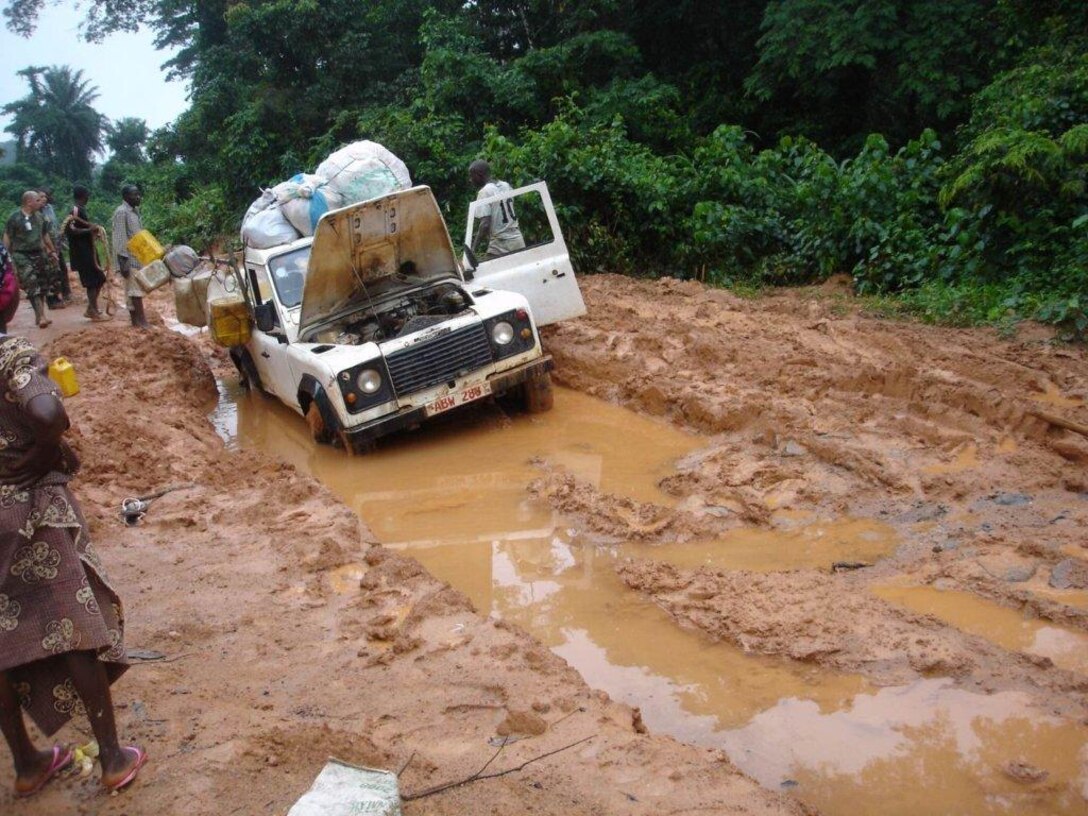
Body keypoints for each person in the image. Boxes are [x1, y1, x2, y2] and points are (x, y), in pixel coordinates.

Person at [0, 286, 146, 796]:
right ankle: (111, 755)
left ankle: (27, 763)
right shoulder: (11, 358)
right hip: (28, 513)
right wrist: (42, 455)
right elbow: (47, 415)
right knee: (74, 621)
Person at [3, 191, 57, 329]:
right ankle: (41, 316)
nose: (41, 202)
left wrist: (52, 251)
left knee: (43, 283)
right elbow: (8, 237)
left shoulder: (40, 217)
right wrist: (6, 257)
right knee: (32, 284)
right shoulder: (14, 218)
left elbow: (44, 235)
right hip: (22, 255)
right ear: (29, 202)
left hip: (40, 253)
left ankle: (40, 314)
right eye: (38, 200)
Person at [65, 186, 109, 322]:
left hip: (89, 251)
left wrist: (91, 231)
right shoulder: (75, 210)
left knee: (100, 279)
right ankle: (93, 311)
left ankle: (91, 308)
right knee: (92, 282)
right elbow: (71, 231)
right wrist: (90, 230)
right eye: (88, 195)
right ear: (84, 195)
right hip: (82, 253)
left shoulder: (80, 210)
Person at [468, 160, 525, 260]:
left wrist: (473, 249)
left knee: (487, 272)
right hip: (517, 239)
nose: (470, 180)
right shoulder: (506, 185)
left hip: (501, 243)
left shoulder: (484, 191)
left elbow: (485, 224)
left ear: (479, 175)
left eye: (472, 176)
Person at [110, 185, 149, 329]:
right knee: (135, 290)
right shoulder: (121, 212)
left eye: (139, 194)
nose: (138, 197)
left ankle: (136, 323)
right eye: (134, 195)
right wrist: (123, 260)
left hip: (137, 256)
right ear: (125, 197)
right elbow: (120, 237)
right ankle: (142, 322)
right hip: (128, 258)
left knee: (132, 290)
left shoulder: (135, 212)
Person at [38, 189, 71, 308]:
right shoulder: (36, 214)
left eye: (44, 196)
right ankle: (52, 299)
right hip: (45, 248)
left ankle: (66, 293)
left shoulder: (49, 208)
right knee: (50, 273)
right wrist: (48, 249)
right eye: (40, 197)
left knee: (61, 268)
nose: (44, 199)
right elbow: (41, 234)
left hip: (55, 244)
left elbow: (54, 226)